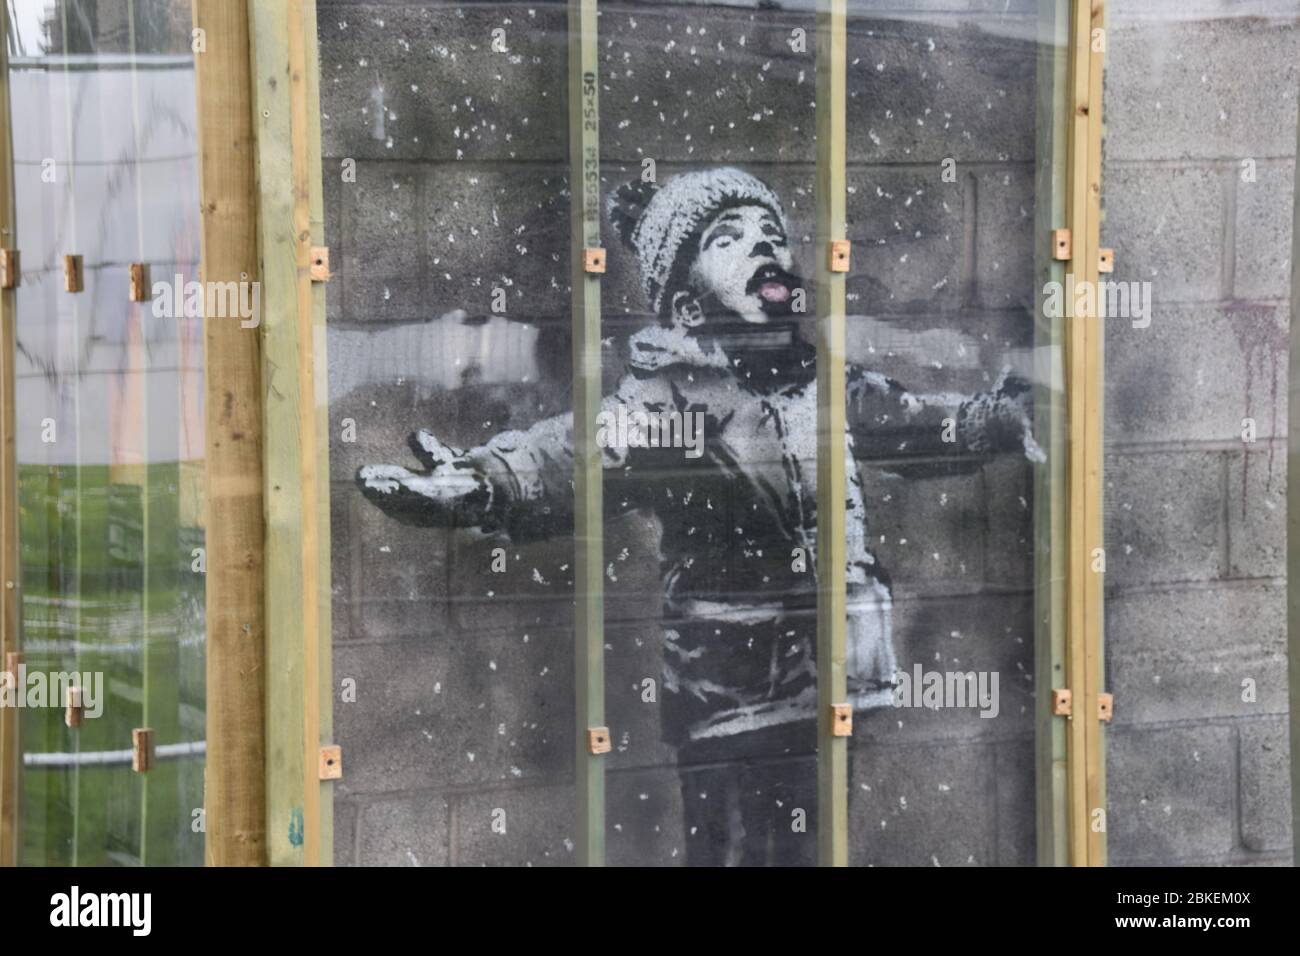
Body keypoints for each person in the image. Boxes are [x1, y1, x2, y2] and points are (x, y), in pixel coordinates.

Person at [359, 167, 1042, 865]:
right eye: (730, 238)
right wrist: (484, 483)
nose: (763, 249)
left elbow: (918, 428)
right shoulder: (667, 401)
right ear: (686, 308)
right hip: (728, 694)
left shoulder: (826, 389)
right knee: (729, 847)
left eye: (771, 235)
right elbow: (573, 455)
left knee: (802, 845)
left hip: (826, 684)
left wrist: (998, 418)